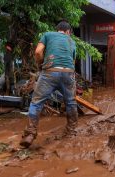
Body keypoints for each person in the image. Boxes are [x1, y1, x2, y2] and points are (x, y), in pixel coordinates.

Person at [20, 20, 78, 148]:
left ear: (57, 29)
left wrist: (41, 64)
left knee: (36, 102)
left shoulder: (47, 35)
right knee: (71, 102)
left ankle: (30, 134)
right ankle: (71, 132)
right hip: (68, 73)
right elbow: (72, 62)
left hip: (50, 72)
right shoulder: (72, 41)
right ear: (68, 31)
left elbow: (38, 52)